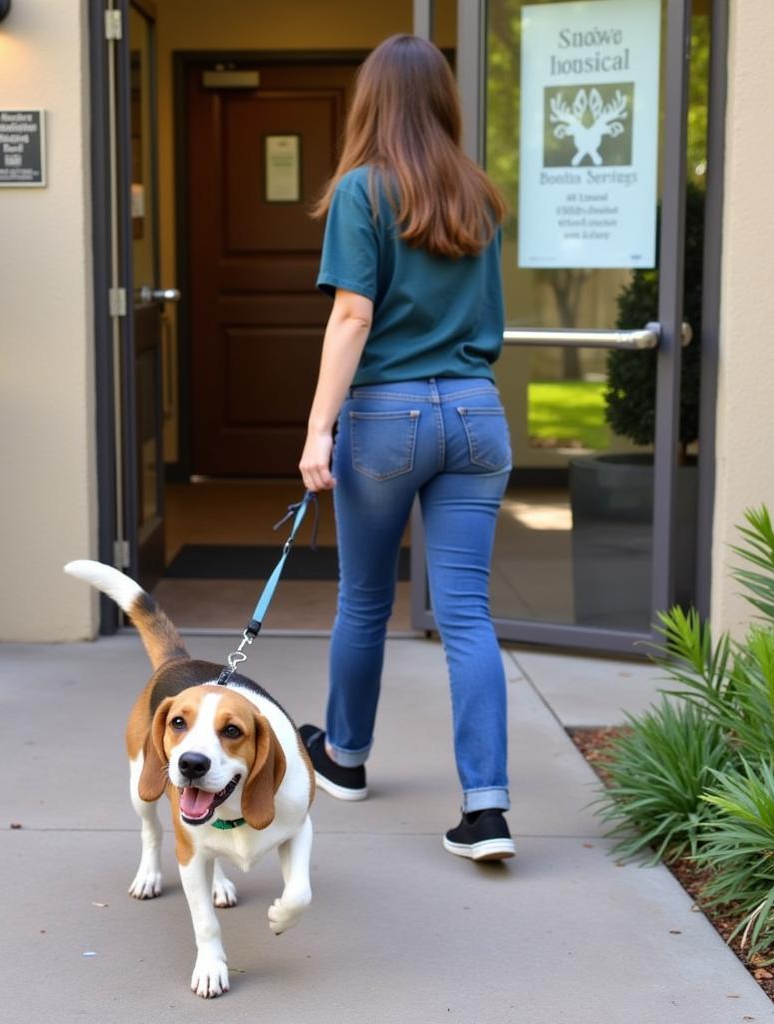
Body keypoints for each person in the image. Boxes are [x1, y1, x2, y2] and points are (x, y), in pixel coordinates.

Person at [297, 34, 515, 862]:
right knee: (466, 613)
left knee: (363, 601)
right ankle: (487, 811)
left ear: (371, 102)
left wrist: (319, 427)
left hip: (387, 419)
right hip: (476, 415)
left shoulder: (362, 190)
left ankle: (345, 760)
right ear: (444, 101)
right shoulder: (479, 195)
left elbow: (352, 317)